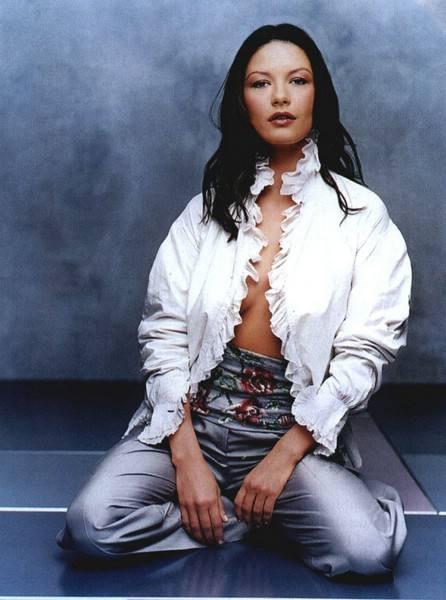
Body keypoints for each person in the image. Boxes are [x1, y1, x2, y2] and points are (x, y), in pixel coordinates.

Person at [56, 23, 412, 578]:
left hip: (290, 436)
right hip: (192, 422)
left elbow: (366, 351)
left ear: (319, 95)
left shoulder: (362, 216)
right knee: (91, 525)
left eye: (297, 81)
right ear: (241, 102)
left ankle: (289, 501)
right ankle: (251, 517)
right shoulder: (205, 211)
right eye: (260, 83)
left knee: (366, 551)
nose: (280, 97)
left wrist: (284, 456)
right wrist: (186, 457)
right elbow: (164, 332)